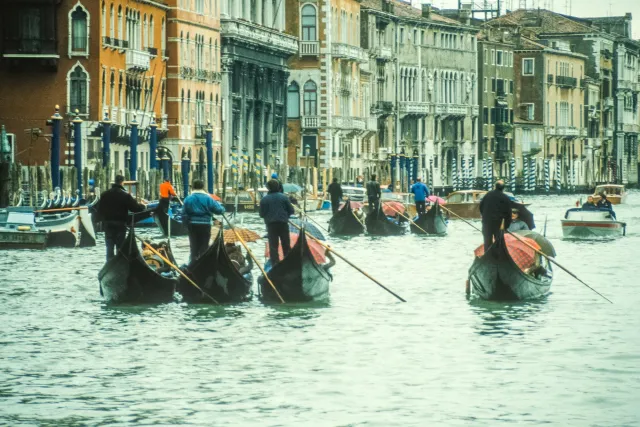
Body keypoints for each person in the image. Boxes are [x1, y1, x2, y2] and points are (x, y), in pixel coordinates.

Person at [97, 175, 146, 261]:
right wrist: (143, 206)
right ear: (122, 182)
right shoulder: (125, 195)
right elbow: (135, 208)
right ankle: (119, 262)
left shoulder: (104, 195)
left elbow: (99, 210)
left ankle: (110, 262)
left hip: (108, 224)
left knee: (109, 246)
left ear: (114, 182)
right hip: (120, 224)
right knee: (120, 247)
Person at [182, 179, 225, 262]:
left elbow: (184, 214)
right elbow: (219, 210)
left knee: (193, 247)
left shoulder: (188, 199)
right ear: (203, 187)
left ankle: (193, 263)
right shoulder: (208, 198)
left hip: (192, 225)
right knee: (204, 246)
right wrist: (223, 209)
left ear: (193, 187)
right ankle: (203, 263)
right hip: (205, 225)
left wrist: (185, 225)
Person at [260, 178, 295, 267]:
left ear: (268, 188)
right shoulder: (284, 197)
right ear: (278, 187)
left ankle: (275, 264)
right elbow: (291, 211)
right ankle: (288, 263)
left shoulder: (264, 199)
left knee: (273, 246)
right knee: (286, 244)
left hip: (271, 225)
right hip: (283, 224)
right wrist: (284, 215)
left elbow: (261, 214)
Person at [479, 180, 512, 251]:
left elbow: (481, 207)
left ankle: (487, 256)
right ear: (503, 188)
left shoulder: (488, 195)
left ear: (494, 186)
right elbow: (508, 213)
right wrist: (506, 226)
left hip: (486, 222)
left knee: (487, 241)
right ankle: (497, 257)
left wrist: (484, 216)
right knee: (499, 242)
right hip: (498, 223)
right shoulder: (505, 198)